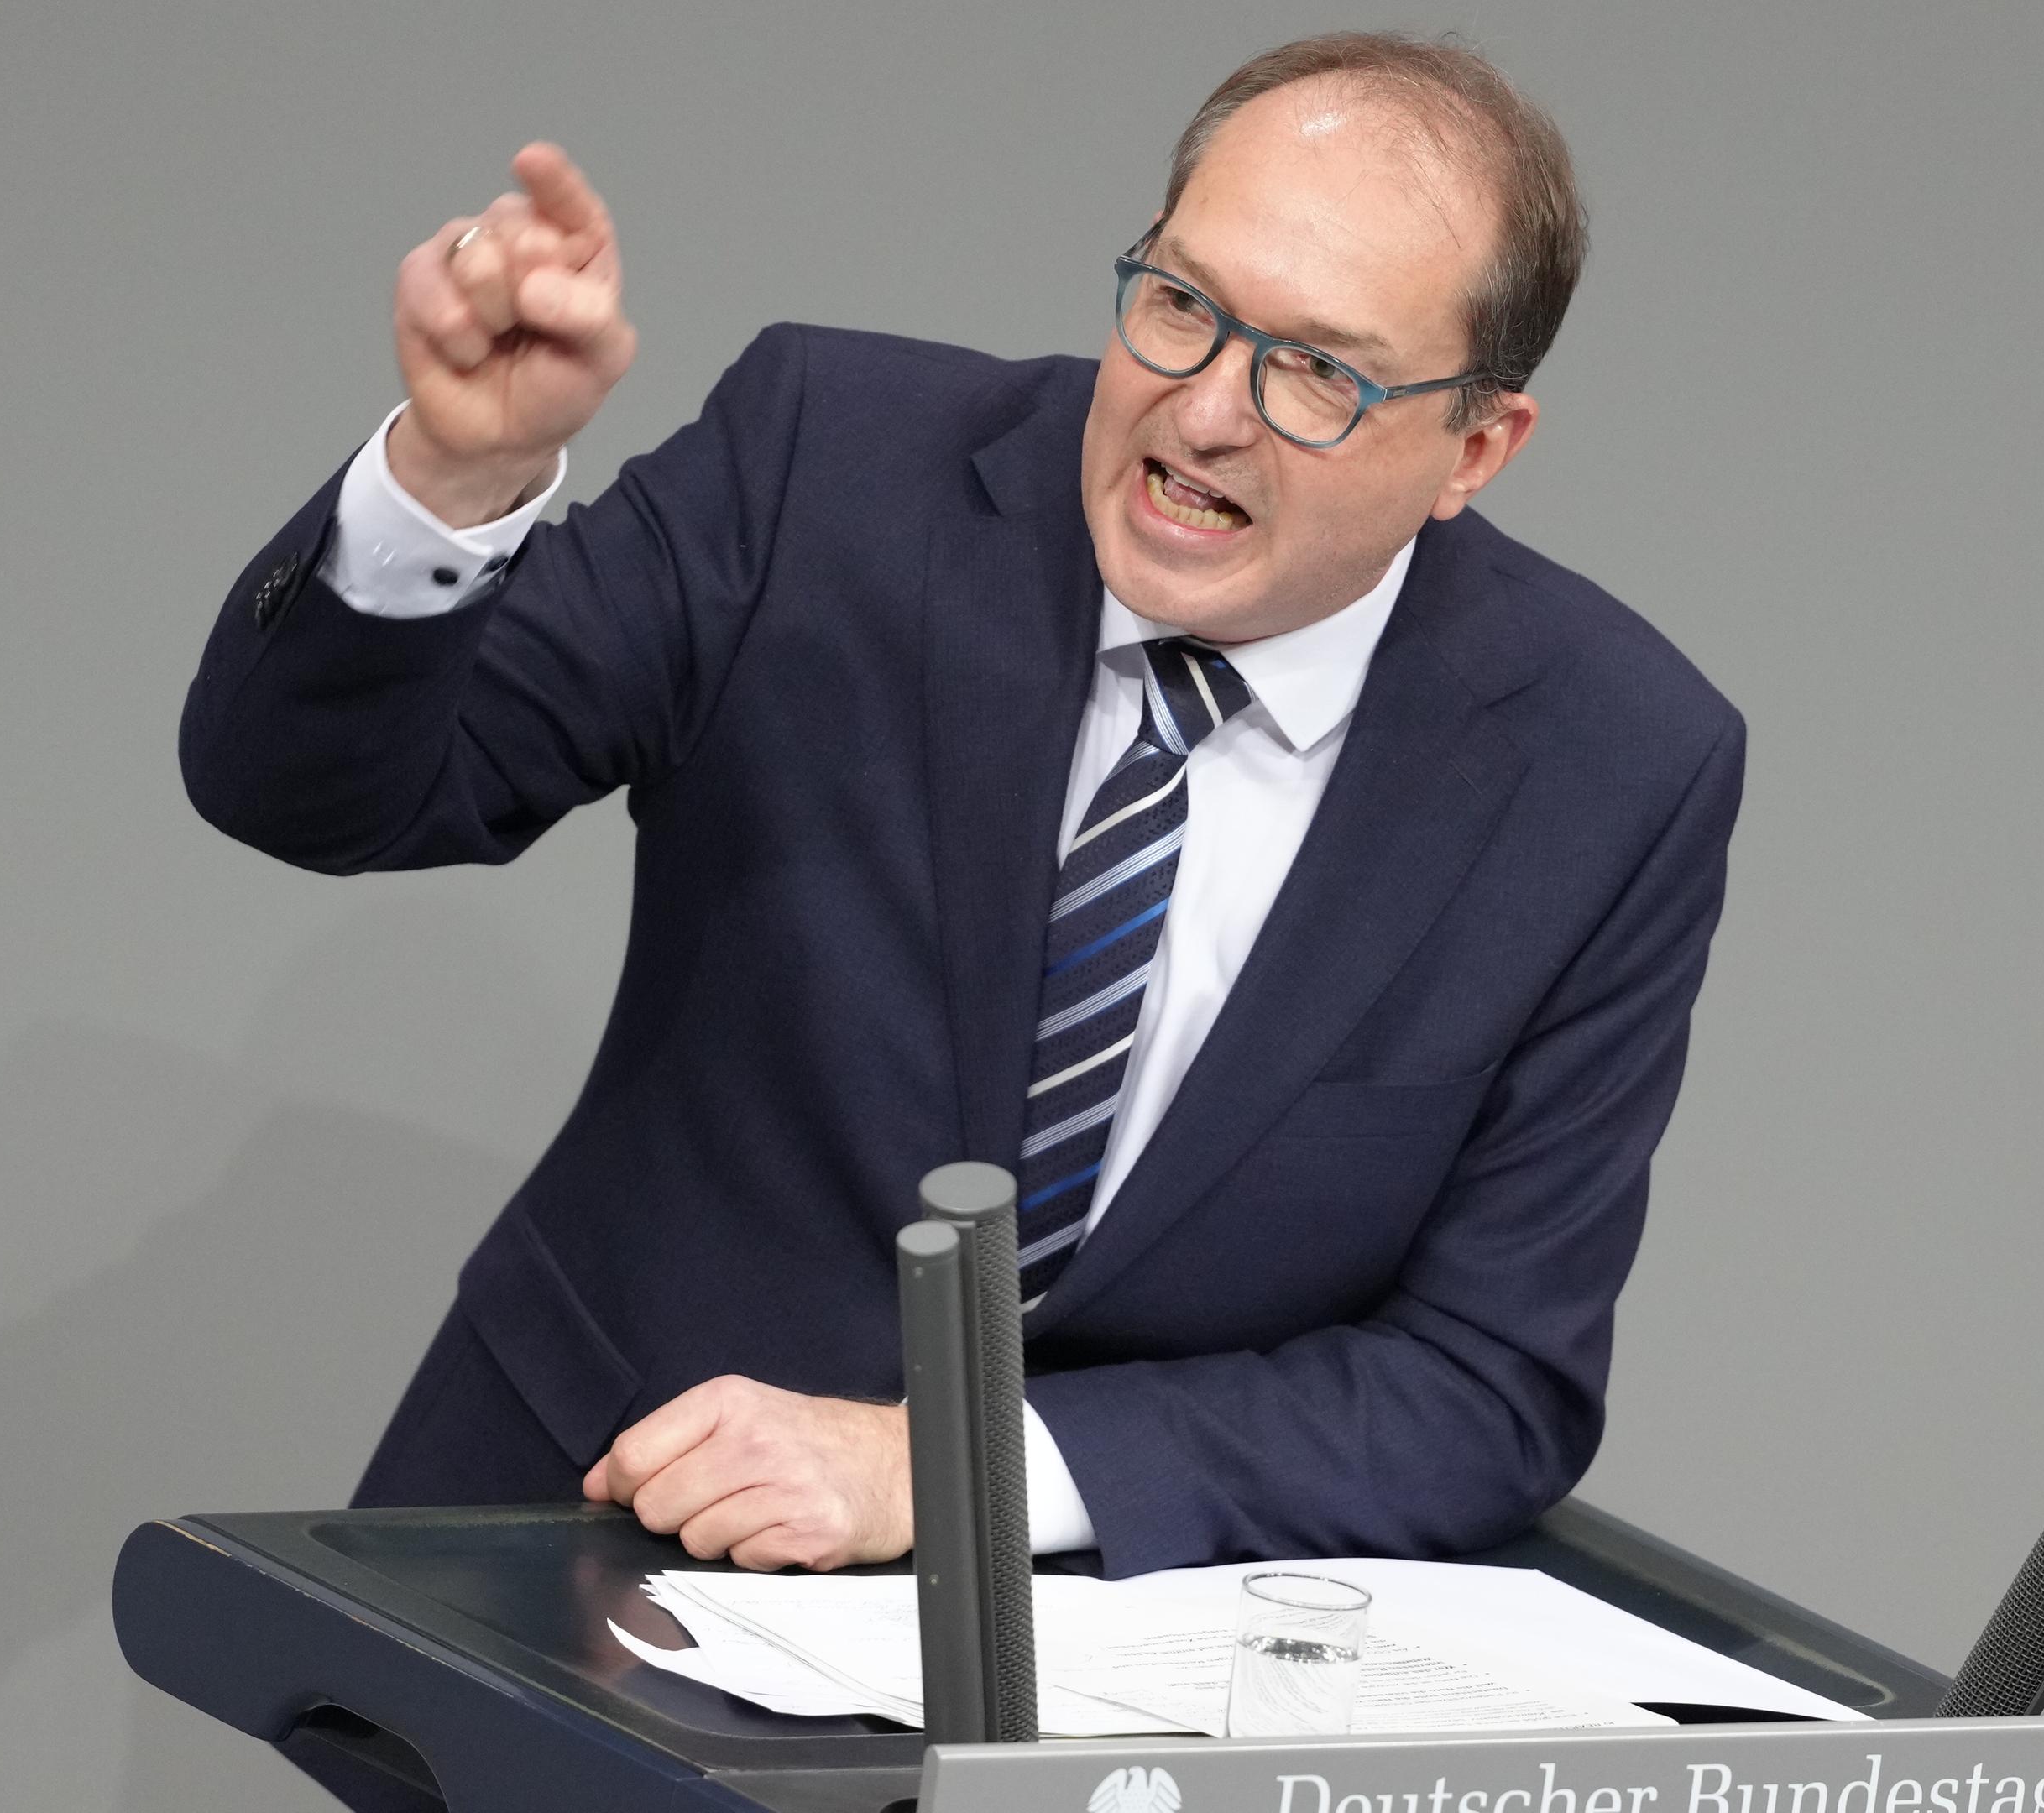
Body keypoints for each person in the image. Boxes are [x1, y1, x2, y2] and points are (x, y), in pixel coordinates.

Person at [185, 29, 1738, 1595]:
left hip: (1091, 1672)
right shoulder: (831, 466)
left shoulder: (1612, 767)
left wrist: (960, 1471)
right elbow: (313, 796)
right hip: (570, 1547)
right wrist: (458, 483)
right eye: (1184, 307)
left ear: (1477, 447)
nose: (1204, 415)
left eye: (1318, 374)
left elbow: (1485, 1388)